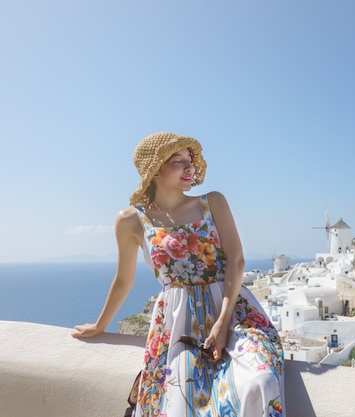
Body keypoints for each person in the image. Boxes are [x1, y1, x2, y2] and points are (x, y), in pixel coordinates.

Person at [72, 132, 285, 417]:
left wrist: (222, 323)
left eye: (190, 160)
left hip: (233, 311)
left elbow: (236, 259)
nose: (190, 167)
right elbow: (124, 279)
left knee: (262, 379)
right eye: (178, 160)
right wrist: (100, 325)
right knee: (182, 398)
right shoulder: (131, 220)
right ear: (155, 168)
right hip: (177, 320)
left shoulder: (212, 202)